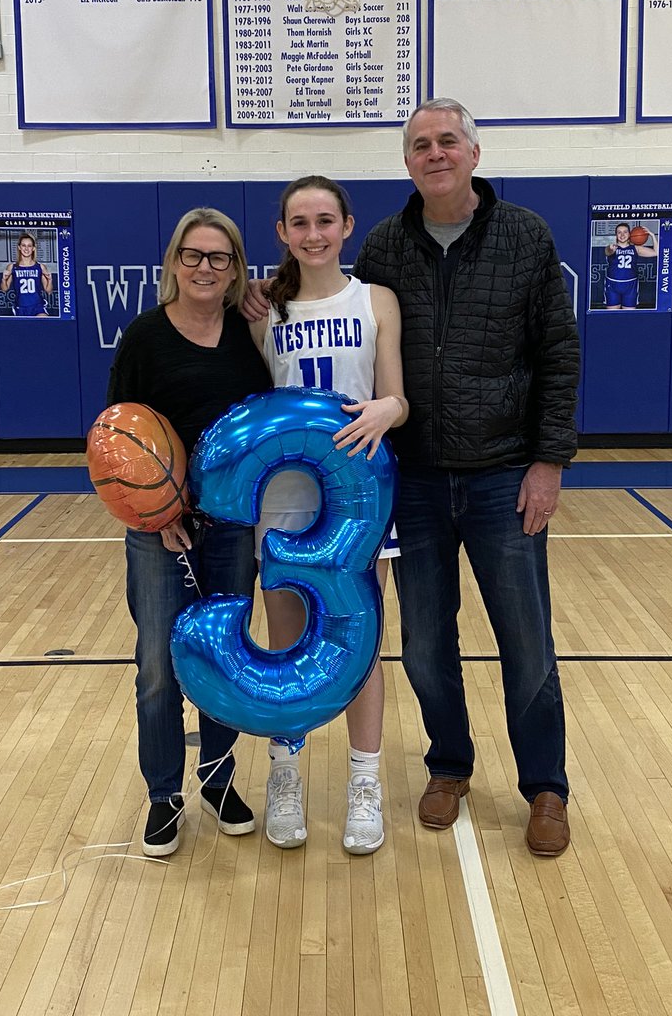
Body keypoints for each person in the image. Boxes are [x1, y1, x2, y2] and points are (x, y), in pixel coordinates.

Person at [247, 100, 581, 855]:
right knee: (426, 643)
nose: (435, 153)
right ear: (407, 162)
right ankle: (448, 766)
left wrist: (548, 461)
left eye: (447, 141)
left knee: (526, 640)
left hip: (503, 474)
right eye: (420, 145)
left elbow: (560, 352)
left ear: (473, 150)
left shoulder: (526, 236)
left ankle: (546, 788)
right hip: (417, 481)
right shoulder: (388, 248)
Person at [249, 175, 407, 856]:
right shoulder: (262, 312)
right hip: (284, 501)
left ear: (347, 225)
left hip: (357, 501)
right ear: (282, 234)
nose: (313, 234)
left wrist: (385, 409)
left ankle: (364, 786)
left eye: (324, 220)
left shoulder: (375, 301)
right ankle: (285, 777)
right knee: (286, 642)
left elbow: (396, 397)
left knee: (358, 640)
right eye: (299, 223)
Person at [107, 208, 271, 857]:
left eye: (219, 257)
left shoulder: (248, 336)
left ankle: (217, 781)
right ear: (175, 261)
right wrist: (160, 511)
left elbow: (264, 425)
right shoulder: (144, 338)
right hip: (158, 530)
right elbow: (116, 438)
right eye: (194, 255)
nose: (206, 267)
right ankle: (162, 795)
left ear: (234, 270)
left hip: (230, 524)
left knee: (221, 656)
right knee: (157, 665)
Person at [603, 223, 658, 310]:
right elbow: (607, 251)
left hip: (630, 285)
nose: (622, 235)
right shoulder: (612, 248)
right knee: (612, 316)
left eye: (625, 232)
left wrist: (652, 236)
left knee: (629, 316)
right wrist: (610, 249)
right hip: (613, 285)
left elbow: (656, 252)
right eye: (619, 232)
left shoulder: (636, 248)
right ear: (616, 235)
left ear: (629, 234)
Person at [1, 234, 52, 316]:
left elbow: (48, 290)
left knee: (43, 322)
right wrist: (4, 279)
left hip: (37, 307)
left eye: (29, 246)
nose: (26, 249)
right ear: (19, 247)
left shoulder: (40, 267)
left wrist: (49, 280)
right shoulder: (12, 267)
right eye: (23, 245)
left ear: (33, 248)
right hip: (20, 308)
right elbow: (4, 289)